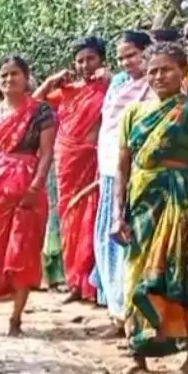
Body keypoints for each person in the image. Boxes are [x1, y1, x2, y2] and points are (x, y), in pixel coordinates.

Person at [112, 43, 188, 374]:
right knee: (137, 274)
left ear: (184, 70)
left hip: (182, 203)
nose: (159, 76)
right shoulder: (133, 113)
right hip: (143, 202)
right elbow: (123, 166)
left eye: (167, 69)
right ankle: (139, 352)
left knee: (187, 277)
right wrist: (119, 213)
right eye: (153, 70)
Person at [0, 55, 55, 336]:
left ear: (26, 77)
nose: (9, 80)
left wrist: (36, 186)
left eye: (15, 74)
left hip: (26, 190)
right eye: (4, 75)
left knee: (23, 252)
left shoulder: (41, 112)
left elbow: (46, 154)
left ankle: (16, 318)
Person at [35, 36, 111, 303]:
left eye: (91, 58)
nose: (85, 65)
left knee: (91, 217)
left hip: (92, 159)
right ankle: (74, 283)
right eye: (80, 60)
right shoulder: (67, 90)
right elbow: (30, 106)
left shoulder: (109, 87)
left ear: (101, 59)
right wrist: (49, 81)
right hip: (65, 161)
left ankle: (91, 284)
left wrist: (110, 77)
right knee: (68, 220)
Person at [92, 30, 155, 337]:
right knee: (107, 241)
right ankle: (117, 313)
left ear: (147, 51)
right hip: (109, 174)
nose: (128, 62)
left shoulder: (158, 88)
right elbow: (108, 128)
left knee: (134, 244)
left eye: (132, 54)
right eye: (122, 58)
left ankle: (135, 317)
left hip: (141, 178)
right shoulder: (120, 87)